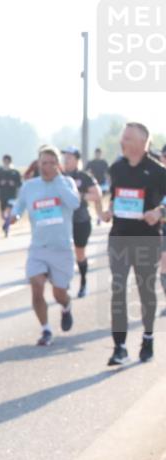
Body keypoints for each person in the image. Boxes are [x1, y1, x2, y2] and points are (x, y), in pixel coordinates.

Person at [103, 122, 166, 365]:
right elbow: (116, 196)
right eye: (122, 137)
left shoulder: (158, 171)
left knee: (145, 290)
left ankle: (148, 337)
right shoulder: (117, 168)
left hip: (146, 238)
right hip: (119, 236)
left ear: (142, 143)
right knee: (118, 289)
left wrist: (159, 211)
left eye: (127, 138)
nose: (123, 141)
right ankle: (119, 347)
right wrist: (109, 210)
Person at [7, 146, 81, 346]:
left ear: (57, 165)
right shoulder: (30, 186)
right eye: (43, 163)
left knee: (59, 293)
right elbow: (19, 205)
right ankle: (46, 329)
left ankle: (66, 306)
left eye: (51, 163)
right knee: (37, 287)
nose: (46, 167)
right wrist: (13, 215)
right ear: (38, 164)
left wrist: (58, 181)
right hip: (39, 248)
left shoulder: (66, 183)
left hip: (62, 248)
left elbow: (75, 203)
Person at [61, 146, 103, 298]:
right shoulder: (59, 176)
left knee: (80, 253)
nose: (66, 159)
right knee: (63, 252)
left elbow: (97, 194)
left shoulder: (84, 176)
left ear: (77, 160)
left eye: (69, 157)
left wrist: (79, 196)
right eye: (64, 157)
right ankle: (64, 282)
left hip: (81, 220)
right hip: (63, 221)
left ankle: (83, 282)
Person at [0, 154, 22, 237]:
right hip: (2, 195)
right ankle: (6, 223)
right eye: (4, 161)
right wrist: (0, 183)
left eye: (7, 161)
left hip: (12, 195)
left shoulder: (15, 171)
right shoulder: (0, 171)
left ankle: (6, 227)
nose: (6, 162)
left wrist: (14, 184)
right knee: (3, 215)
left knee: (8, 211)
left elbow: (20, 183)